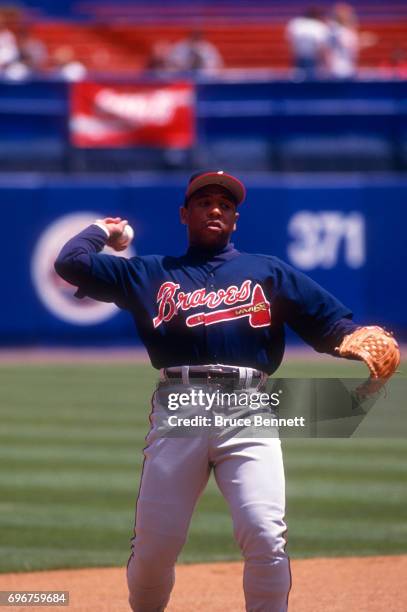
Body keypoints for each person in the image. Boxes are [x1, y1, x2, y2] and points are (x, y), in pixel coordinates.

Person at [54, 170, 400, 611]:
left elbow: (330, 324)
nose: (215, 209)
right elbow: (70, 262)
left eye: (225, 204)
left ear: (235, 218)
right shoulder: (149, 273)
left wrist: (354, 341)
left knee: (265, 532)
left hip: (250, 406)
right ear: (184, 214)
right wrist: (105, 229)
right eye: (203, 202)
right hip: (180, 407)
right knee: (155, 549)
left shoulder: (267, 271)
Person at [285, 7, 329, 79]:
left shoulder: (296, 23)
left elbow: (290, 42)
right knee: (311, 79)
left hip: (299, 55)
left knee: (299, 77)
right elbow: (321, 46)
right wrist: (323, 61)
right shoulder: (319, 26)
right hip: (311, 57)